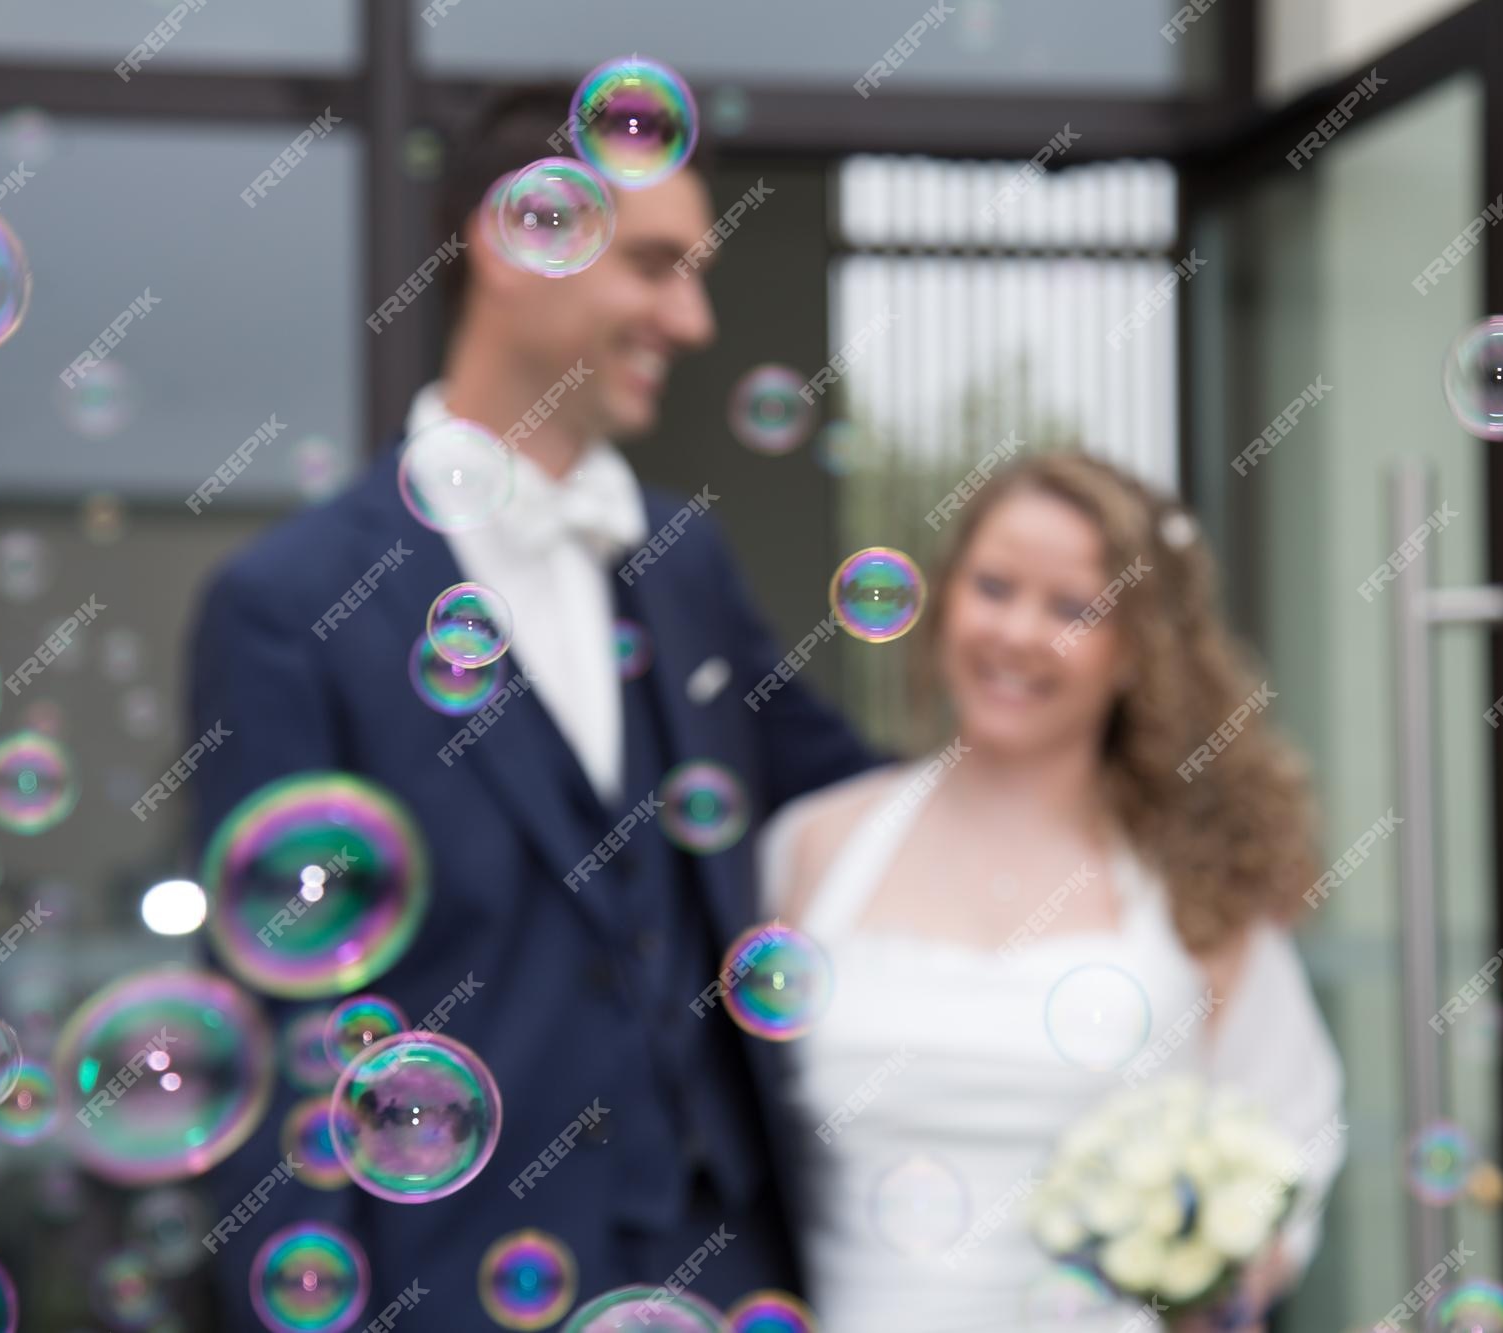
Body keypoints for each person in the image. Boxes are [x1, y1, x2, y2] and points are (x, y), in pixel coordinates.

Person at [187, 87, 874, 1324]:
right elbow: (281, 1038)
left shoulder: (684, 562)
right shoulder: (291, 605)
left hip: (720, 1278)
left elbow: (856, 796)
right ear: (518, 238)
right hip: (442, 1289)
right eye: (658, 267)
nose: (694, 318)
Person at [761, 453, 1346, 1332]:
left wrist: (1216, 1279)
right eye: (994, 587)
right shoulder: (813, 849)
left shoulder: (1196, 884)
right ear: (945, 600)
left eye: (1073, 607)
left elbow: (1289, 1145)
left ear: (1135, 650)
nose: (1019, 633)